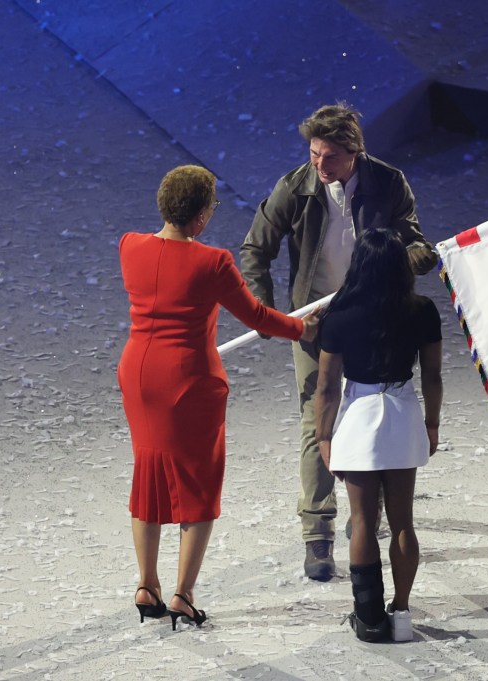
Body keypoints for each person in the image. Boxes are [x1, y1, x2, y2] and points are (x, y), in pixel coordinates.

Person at [239, 101, 438, 581]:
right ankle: (318, 533)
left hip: (374, 316)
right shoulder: (296, 187)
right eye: (313, 153)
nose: (319, 165)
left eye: (329, 157)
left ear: (354, 154)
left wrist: (405, 263)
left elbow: (412, 242)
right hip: (314, 322)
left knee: (376, 414)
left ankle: (367, 517)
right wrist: (274, 317)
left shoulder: (388, 183)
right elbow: (254, 251)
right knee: (319, 419)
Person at [118, 165, 319, 630]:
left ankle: (146, 584)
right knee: (198, 485)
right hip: (188, 384)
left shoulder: (130, 246)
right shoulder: (212, 262)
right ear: (203, 215)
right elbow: (256, 316)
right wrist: (300, 326)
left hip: (138, 375)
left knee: (147, 474)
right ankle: (183, 595)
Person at [315, 228, 443, 642]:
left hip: (359, 416)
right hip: (403, 413)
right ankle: (402, 614)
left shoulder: (340, 314)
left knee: (364, 522)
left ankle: (369, 618)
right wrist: (432, 424)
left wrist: (323, 437)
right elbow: (434, 376)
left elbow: (327, 387)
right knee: (403, 522)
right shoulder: (422, 310)